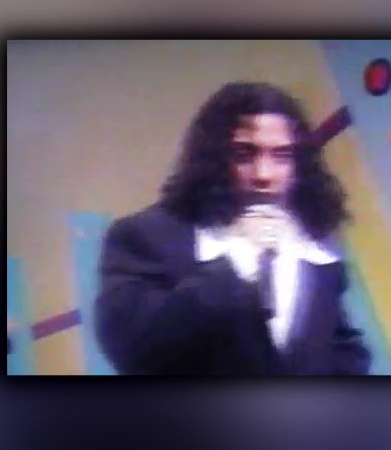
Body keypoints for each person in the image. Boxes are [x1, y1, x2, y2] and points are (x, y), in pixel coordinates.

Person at [95, 81, 371, 375]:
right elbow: (131, 347)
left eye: (281, 156)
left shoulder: (311, 246)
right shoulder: (145, 236)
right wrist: (237, 259)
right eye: (244, 154)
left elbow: (340, 348)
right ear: (213, 159)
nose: (263, 175)